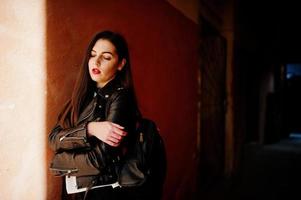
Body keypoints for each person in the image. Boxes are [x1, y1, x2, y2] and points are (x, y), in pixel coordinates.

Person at [48, 30, 140, 200]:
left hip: (100, 194)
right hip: (73, 193)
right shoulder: (82, 96)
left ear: (120, 64)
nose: (96, 61)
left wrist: (59, 162)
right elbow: (53, 138)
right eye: (93, 54)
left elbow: (98, 161)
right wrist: (90, 129)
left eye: (106, 57)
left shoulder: (120, 98)